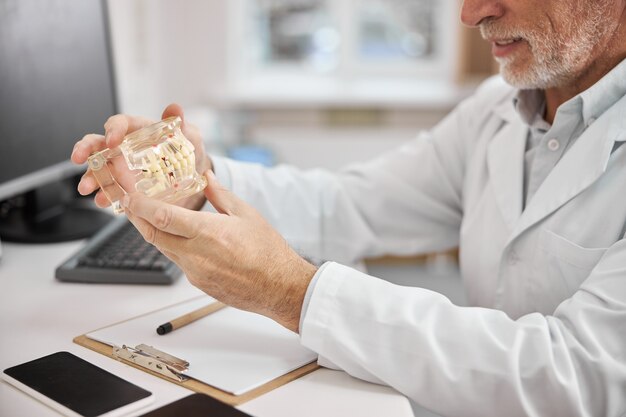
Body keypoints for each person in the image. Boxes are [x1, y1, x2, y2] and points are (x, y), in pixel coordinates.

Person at [72, 0, 626, 415]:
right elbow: (348, 205)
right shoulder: (496, 112)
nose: (469, 12)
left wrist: (288, 290)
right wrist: (195, 177)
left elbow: (578, 375)